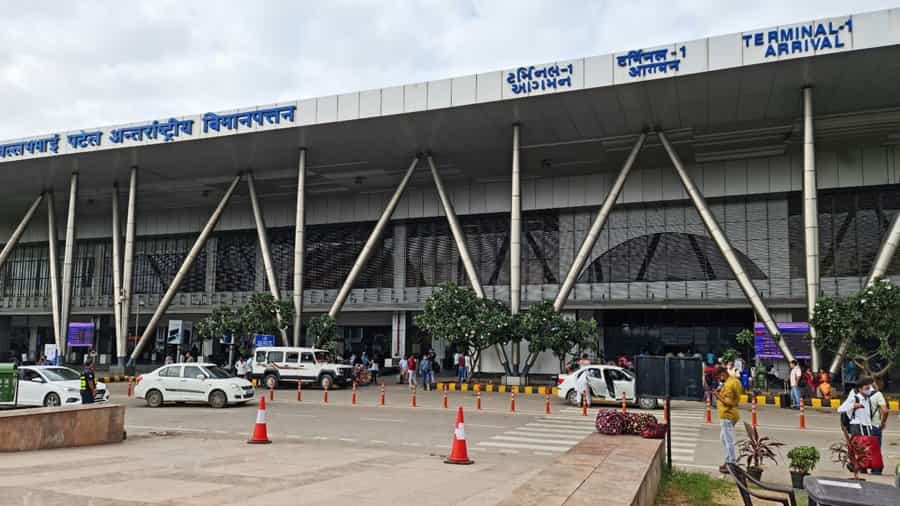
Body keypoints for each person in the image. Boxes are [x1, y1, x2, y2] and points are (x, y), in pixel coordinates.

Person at [838, 377, 880, 474]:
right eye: (867, 388)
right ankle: (855, 466)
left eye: (869, 387)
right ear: (860, 389)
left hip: (867, 427)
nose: (869, 390)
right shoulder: (854, 398)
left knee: (866, 450)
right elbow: (840, 409)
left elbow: (875, 390)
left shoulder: (867, 398)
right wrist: (853, 406)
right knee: (859, 449)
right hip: (856, 426)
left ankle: (861, 467)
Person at [714, 365, 742, 474]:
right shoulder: (733, 381)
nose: (718, 379)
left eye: (718, 377)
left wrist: (717, 395)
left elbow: (728, 402)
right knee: (723, 439)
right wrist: (721, 391)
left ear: (722, 374)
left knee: (728, 440)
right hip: (731, 414)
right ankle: (728, 461)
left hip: (727, 415)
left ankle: (732, 463)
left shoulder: (730, 384)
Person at [868, 382, 888, 475]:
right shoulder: (878, 394)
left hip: (862, 426)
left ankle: (863, 467)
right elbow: (885, 410)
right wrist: (883, 422)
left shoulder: (859, 394)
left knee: (863, 447)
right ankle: (876, 469)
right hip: (875, 426)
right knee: (875, 449)